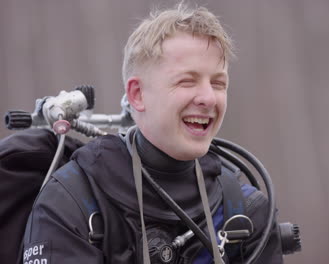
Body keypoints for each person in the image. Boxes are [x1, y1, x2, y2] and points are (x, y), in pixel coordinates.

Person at [20, 4, 283, 264]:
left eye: (218, 83)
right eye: (187, 81)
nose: (208, 98)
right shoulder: (72, 200)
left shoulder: (244, 208)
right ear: (137, 94)